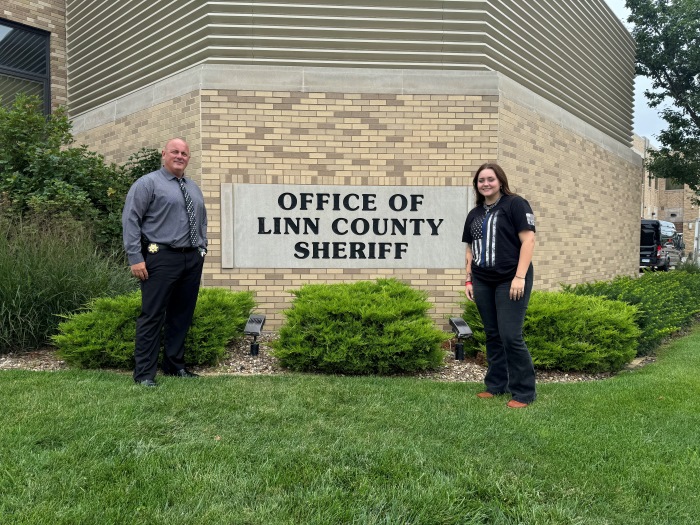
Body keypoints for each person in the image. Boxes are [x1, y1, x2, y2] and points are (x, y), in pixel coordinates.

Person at [122, 138, 208, 387]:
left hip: (191, 257)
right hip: (160, 256)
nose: (180, 156)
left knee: (181, 315)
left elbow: (202, 220)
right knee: (153, 315)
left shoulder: (193, 187)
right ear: (164, 154)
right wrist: (135, 258)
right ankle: (145, 375)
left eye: (184, 153)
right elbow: (131, 220)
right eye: (175, 152)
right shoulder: (147, 183)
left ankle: (175, 366)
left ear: (188, 157)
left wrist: (202, 247)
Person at [461, 162, 536, 408]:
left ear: (500, 181)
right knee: (492, 334)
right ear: (477, 185)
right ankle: (495, 385)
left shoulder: (515, 204)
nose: (485, 184)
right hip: (483, 279)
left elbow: (528, 240)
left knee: (510, 335)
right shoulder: (475, 214)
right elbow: (470, 249)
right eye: (481, 180)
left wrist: (519, 277)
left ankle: (524, 392)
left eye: (490, 179)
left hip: (510, 278)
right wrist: (469, 279)